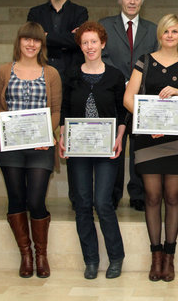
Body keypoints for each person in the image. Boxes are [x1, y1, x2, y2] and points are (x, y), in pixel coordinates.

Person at [123, 14, 178, 282]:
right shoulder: (144, 61)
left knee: (173, 197)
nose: (170, 36)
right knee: (152, 197)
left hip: (176, 141)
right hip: (148, 139)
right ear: (159, 34)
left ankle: (170, 256)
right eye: (166, 31)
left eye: (175, 31)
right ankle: (155, 256)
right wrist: (146, 122)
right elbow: (127, 99)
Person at [59, 21, 126, 280]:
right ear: (81, 45)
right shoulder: (72, 74)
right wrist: (63, 135)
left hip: (107, 147)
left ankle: (116, 257)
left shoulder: (115, 76)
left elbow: (122, 113)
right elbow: (65, 109)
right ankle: (91, 259)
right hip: (79, 150)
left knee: (103, 203)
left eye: (94, 42)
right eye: (85, 42)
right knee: (83, 204)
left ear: (103, 43)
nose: (90, 47)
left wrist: (120, 137)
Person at [0, 22, 62, 278]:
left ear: (41, 45)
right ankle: (25, 255)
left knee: (35, 200)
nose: (31, 44)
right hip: (10, 145)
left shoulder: (51, 73)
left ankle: (40, 254)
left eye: (36, 40)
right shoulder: (3, 71)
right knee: (16, 199)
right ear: (19, 42)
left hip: (40, 146)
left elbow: (56, 110)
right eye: (26, 39)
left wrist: (47, 135)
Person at [100, 0, 158, 211]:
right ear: (120, 0)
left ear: (142, 1)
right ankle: (112, 194)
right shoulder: (105, 25)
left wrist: (135, 83)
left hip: (142, 97)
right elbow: (102, 56)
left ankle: (137, 193)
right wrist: (122, 81)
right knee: (115, 145)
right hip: (113, 94)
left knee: (138, 147)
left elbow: (155, 60)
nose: (132, 2)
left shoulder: (153, 29)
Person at [27, 0, 88, 80]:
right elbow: (33, 41)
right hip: (41, 74)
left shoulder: (80, 12)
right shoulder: (35, 13)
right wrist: (67, 39)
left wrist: (46, 37)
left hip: (71, 76)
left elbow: (77, 40)